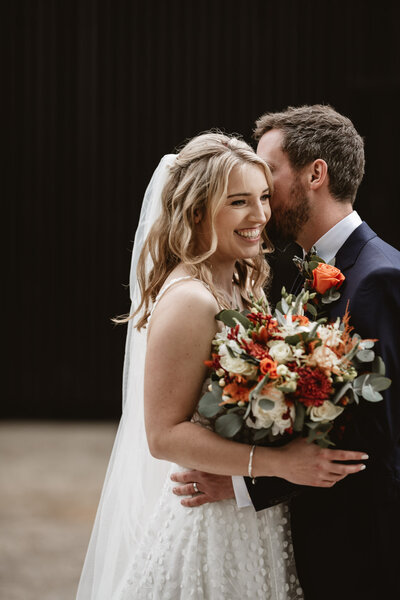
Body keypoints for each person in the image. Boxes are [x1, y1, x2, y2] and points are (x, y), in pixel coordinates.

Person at [76, 131, 367, 600]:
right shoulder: (190, 299)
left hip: (251, 517)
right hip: (212, 523)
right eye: (238, 202)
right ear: (196, 212)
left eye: (264, 198)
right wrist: (278, 464)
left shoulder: (240, 278)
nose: (260, 217)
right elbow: (163, 434)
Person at [172, 106, 400, 600]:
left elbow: (372, 439)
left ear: (315, 173)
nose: (261, 190)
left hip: (365, 551)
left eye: (268, 172)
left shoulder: (376, 278)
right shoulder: (301, 270)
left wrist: (242, 484)